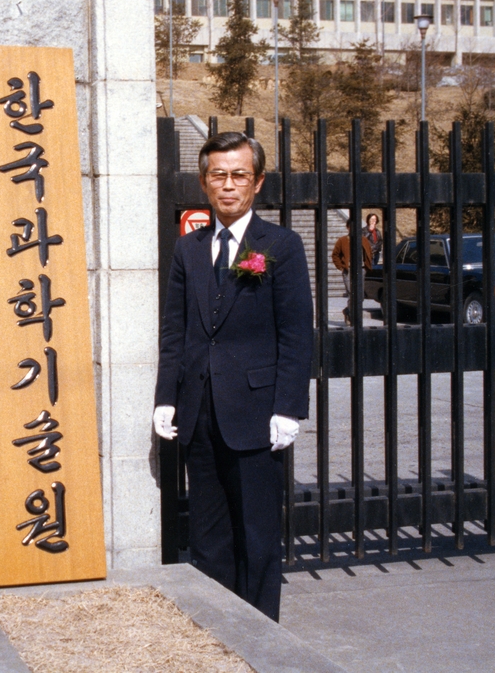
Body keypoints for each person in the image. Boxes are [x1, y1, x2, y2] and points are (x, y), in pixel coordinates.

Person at [153, 131, 313, 622]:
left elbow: (295, 333)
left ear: (257, 182)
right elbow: (175, 331)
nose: (228, 186)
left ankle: (262, 636)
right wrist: (165, 398)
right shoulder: (190, 249)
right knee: (209, 537)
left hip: (256, 417)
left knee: (258, 537)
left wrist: (289, 407)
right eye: (218, 175)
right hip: (199, 416)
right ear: (204, 182)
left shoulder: (277, 246)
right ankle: (217, 633)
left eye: (238, 175)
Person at [332, 218, 373, 326]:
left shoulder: (364, 239)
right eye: (351, 226)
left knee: (360, 296)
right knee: (352, 293)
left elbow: (369, 252)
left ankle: (348, 311)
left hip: (361, 269)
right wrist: (341, 267)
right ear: (348, 227)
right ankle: (353, 317)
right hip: (348, 270)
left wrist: (367, 265)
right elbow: (335, 255)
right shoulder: (342, 240)